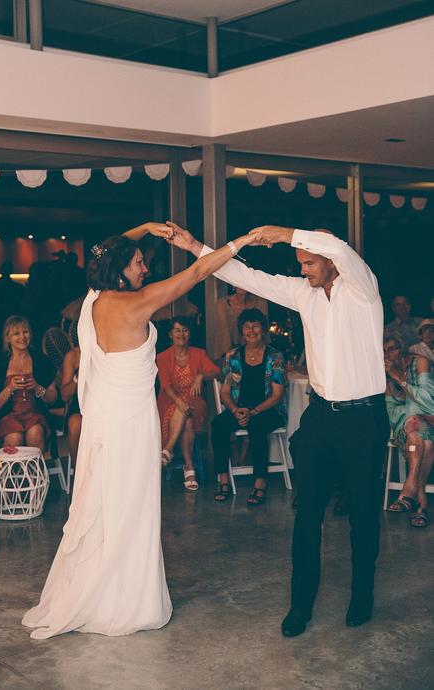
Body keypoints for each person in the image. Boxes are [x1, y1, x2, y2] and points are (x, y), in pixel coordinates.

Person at [22, 221, 257, 639]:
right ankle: (126, 601)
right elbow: (198, 272)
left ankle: (104, 589)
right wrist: (242, 241)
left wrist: (146, 230)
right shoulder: (137, 304)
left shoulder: (94, 300)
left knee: (106, 504)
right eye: (138, 264)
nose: (144, 269)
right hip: (130, 422)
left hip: (105, 421)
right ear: (120, 270)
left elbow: (106, 247)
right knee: (132, 506)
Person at [169, 221, 389, 636]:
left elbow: (338, 246)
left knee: (363, 515)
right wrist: (196, 247)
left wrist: (283, 232)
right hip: (322, 416)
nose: (303, 269)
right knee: (307, 514)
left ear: (328, 260)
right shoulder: (302, 294)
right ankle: (300, 606)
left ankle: (363, 596)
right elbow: (243, 275)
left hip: (364, 418)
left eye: (308, 262)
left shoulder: (363, 288)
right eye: (300, 263)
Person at [212, 308, 286, 506]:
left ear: (263, 330)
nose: (251, 331)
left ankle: (260, 482)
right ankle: (223, 479)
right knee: (218, 424)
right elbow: (225, 392)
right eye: (246, 327)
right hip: (240, 409)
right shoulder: (232, 356)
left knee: (256, 426)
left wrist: (253, 412)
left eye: (256, 326)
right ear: (241, 331)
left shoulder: (275, 356)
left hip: (268, 410)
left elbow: (277, 396)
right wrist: (235, 410)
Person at [157, 316, 220, 491]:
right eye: (177, 330)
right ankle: (189, 466)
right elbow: (165, 385)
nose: (181, 334)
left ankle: (167, 450)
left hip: (195, 402)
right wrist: (178, 402)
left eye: (185, 330)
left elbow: (216, 371)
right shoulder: (162, 357)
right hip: (169, 401)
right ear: (170, 334)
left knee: (188, 410)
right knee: (188, 420)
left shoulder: (199, 354)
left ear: (189, 333)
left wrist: (200, 376)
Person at [0, 315, 57, 452]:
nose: (22, 337)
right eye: (16, 334)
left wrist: (37, 387)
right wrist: (10, 388)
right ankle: (13, 473)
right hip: (8, 417)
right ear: (7, 338)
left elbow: (52, 400)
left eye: (25, 332)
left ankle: (34, 473)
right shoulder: (0, 366)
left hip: (35, 415)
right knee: (14, 437)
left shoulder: (41, 361)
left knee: (35, 432)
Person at [384, 336, 434, 527]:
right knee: (423, 438)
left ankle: (409, 490)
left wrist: (399, 379)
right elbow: (391, 411)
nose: (388, 355)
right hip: (413, 428)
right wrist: (414, 416)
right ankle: (420, 503)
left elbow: (429, 401)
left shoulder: (419, 362)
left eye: (392, 349)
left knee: (415, 414)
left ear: (403, 348)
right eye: (384, 351)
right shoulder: (384, 374)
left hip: (430, 419)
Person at [214, 287, 269, 360]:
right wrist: (229, 358)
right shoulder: (222, 304)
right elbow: (223, 335)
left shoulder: (261, 302)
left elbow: (263, 331)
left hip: (256, 350)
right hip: (231, 353)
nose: (241, 285)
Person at [60, 338, 82, 472]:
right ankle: (78, 472)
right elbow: (64, 395)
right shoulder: (73, 355)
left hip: (105, 403)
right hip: (81, 405)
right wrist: (77, 378)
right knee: (75, 423)